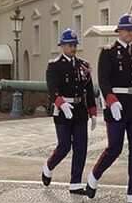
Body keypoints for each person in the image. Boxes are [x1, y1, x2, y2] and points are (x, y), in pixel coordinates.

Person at [85, 14, 132, 203]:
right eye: (126, 30)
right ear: (119, 31)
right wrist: (111, 100)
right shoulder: (108, 52)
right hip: (117, 106)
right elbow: (104, 79)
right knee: (115, 147)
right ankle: (94, 175)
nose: (130, 33)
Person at [41, 29, 98, 194]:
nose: (72, 48)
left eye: (74, 45)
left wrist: (93, 112)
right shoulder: (54, 66)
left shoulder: (83, 66)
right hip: (63, 110)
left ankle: (75, 182)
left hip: (79, 110)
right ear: (62, 46)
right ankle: (49, 166)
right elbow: (52, 89)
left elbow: (88, 89)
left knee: (81, 146)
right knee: (65, 145)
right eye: (69, 45)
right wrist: (61, 104)